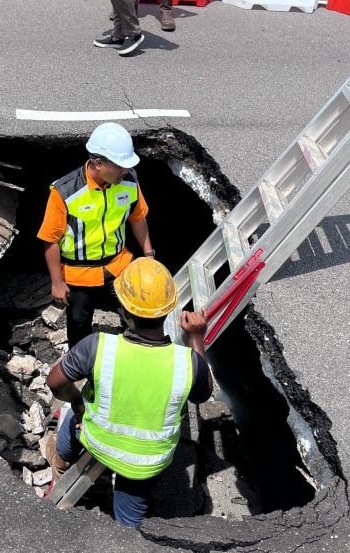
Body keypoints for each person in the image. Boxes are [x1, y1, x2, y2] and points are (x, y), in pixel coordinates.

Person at [46, 258, 213, 527]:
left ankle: (62, 463)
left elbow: (54, 382)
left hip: (97, 440)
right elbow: (202, 395)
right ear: (170, 309)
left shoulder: (98, 346)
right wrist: (196, 339)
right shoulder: (188, 362)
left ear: (123, 309)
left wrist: (77, 401)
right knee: (130, 519)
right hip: (148, 461)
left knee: (70, 418)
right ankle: (129, 540)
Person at [37, 122, 154, 349]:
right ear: (98, 163)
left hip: (118, 264)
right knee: (78, 324)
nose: (125, 171)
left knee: (138, 315)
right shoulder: (65, 192)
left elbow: (138, 217)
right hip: (79, 272)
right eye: (120, 166)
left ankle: (134, 357)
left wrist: (149, 254)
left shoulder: (129, 181)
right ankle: (80, 372)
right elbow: (50, 239)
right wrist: (57, 283)